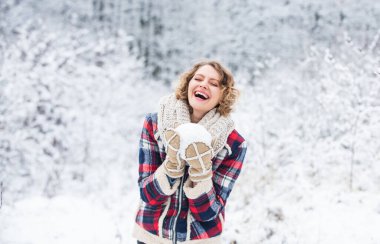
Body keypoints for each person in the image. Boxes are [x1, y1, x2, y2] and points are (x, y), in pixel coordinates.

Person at [133, 60, 247, 243]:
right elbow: (148, 195)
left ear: (224, 95)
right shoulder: (155, 125)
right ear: (188, 84)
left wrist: (201, 172)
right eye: (198, 78)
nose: (203, 84)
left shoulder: (233, 144)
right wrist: (171, 166)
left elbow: (208, 213)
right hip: (152, 237)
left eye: (213, 83)